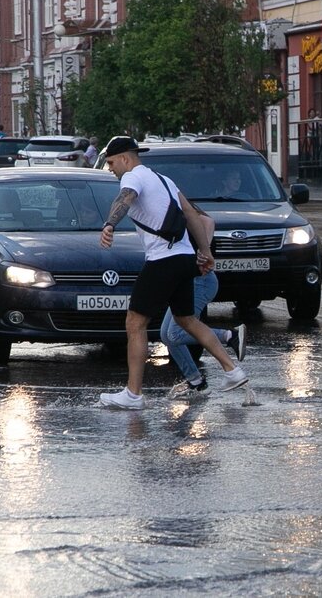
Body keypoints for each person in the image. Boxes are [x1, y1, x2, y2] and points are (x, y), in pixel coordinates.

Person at [98, 135, 248, 409]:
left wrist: (109, 224)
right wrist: (205, 251)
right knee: (187, 320)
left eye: (110, 162)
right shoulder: (163, 179)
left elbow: (124, 198)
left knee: (135, 323)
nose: (110, 168)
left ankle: (133, 394)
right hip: (183, 258)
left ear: (125, 158)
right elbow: (192, 214)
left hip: (162, 260)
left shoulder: (132, 177)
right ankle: (232, 371)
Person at [162, 203, 247, 400]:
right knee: (167, 335)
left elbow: (207, 221)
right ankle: (196, 382)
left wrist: (203, 248)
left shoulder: (174, 202)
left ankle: (229, 335)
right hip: (186, 282)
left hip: (200, 282)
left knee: (174, 334)